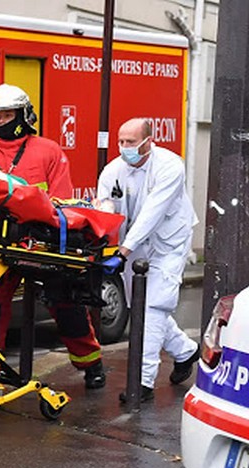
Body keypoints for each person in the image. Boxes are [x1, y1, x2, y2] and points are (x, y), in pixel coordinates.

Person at [0, 83, 106, 389]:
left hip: (41, 242)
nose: (2, 122)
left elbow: (61, 199)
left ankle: (91, 363)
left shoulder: (48, 151)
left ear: (23, 115)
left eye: (8, 115)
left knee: (65, 302)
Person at [97, 117, 199, 403]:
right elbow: (105, 206)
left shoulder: (170, 167)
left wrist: (123, 252)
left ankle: (141, 383)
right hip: (136, 244)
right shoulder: (113, 170)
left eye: (130, 142)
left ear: (148, 142)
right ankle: (186, 351)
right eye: (121, 141)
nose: (124, 147)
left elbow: (153, 212)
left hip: (169, 242)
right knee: (139, 306)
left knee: (153, 306)